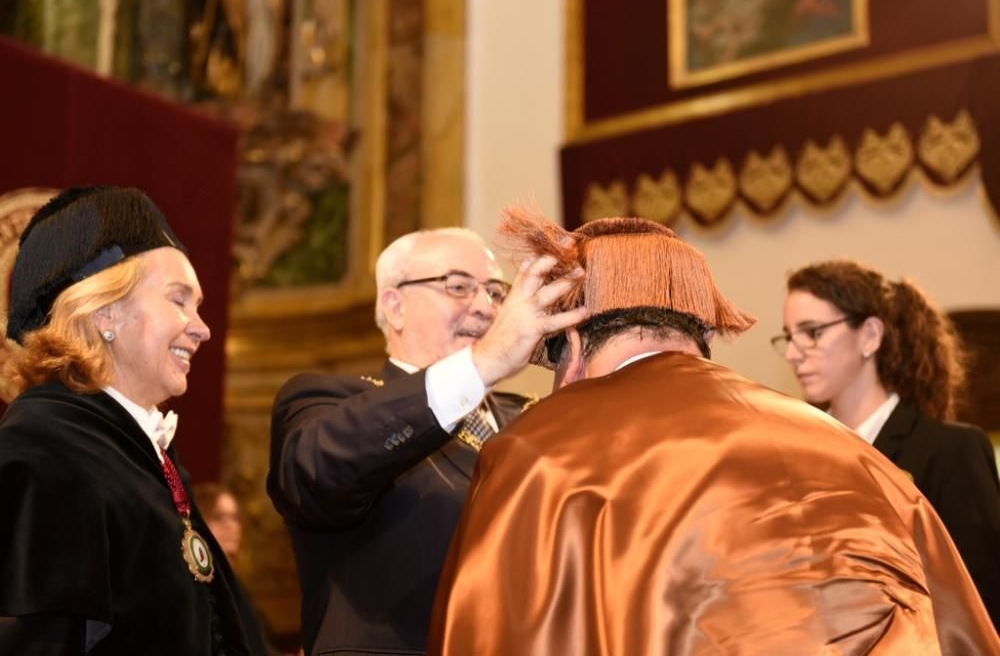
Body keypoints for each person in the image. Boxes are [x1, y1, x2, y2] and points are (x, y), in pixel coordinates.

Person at [427, 213, 999, 655]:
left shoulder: (537, 452)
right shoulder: (849, 449)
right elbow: (959, 630)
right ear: (697, 334)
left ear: (570, 347)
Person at [267, 227, 586, 655]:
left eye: (495, 292)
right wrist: (484, 364)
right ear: (394, 307)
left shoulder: (533, 415)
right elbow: (316, 474)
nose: (485, 308)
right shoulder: (327, 399)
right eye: (458, 287)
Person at [0, 186, 267, 655]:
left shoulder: (139, 456)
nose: (202, 328)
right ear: (105, 311)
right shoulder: (42, 452)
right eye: (179, 300)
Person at [776, 259, 1000, 631]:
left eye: (812, 332)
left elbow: (983, 598)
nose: (793, 353)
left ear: (870, 336)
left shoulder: (949, 450)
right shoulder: (795, 456)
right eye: (788, 336)